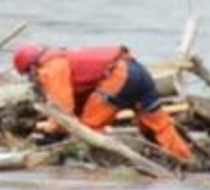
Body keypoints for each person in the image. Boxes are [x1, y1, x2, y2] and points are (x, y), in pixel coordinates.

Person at [12, 42, 192, 162]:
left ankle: (99, 177)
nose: (33, 80)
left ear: (32, 67)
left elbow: (63, 112)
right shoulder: (64, 58)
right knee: (159, 125)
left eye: (29, 75)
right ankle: (185, 160)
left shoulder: (50, 67)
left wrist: (47, 128)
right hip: (137, 71)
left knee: (89, 128)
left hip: (118, 76)